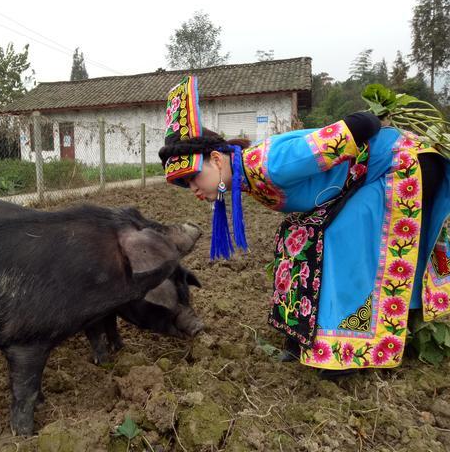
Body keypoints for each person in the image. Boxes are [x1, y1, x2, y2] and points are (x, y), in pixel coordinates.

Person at [158, 76, 450, 374]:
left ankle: (348, 347)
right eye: (184, 185)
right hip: (363, 177)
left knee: (339, 237)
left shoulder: (272, 164)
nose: (192, 189)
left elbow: (361, 124)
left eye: (193, 177)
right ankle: (301, 334)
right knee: (295, 236)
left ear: (216, 159)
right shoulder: (249, 176)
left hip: (403, 164)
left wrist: (380, 118)